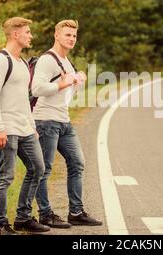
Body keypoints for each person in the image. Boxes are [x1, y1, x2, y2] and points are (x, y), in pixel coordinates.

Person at [32, 19, 102, 228]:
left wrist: (78, 80)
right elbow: (37, 89)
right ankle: (45, 214)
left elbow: (66, 93)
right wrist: (65, 82)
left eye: (74, 36)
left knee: (77, 162)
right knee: (45, 169)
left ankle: (76, 212)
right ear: (56, 35)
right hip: (45, 121)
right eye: (67, 35)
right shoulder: (47, 60)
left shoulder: (67, 62)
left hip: (63, 121)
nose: (71, 39)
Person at [0, 17, 50, 235]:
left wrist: (32, 127)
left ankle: (23, 217)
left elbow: (24, 99)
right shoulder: (0, 60)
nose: (31, 36)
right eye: (28, 32)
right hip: (6, 129)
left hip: (24, 128)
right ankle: (0, 225)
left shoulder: (22, 63)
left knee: (38, 168)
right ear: (15, 34)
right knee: (5, 176)